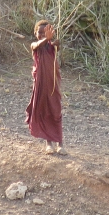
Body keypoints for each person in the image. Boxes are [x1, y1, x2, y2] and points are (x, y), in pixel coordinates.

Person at [26, 19, 64, 154]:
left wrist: (55, 43)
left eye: (45, 32)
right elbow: (37, 45)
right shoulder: (35, 45)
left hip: (53, 85)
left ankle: (60, 143)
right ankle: (49, 143)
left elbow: (55, 48)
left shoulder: (51, 46)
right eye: (39, 32)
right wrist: (46, 39)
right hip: (41, 85)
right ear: (35, 33)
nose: (42, 34)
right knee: (44, 111)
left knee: (56, 111)